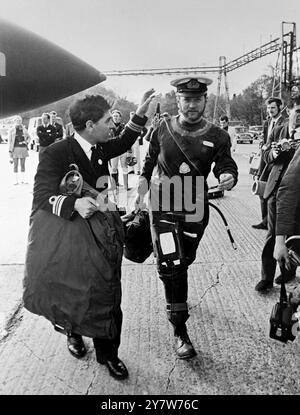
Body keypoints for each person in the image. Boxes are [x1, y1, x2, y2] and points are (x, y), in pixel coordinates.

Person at [30, 89, 155, 380]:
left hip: (103, 235)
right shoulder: (57, 153)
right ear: (89, 126)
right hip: (71, 235)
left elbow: (125, 141)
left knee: (107, 292)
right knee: (73, 289)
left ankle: (109, 353)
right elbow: (41, 196)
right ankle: (73, 333)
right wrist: (73, 203)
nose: (113, 126)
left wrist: (141, 113)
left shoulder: (99, 147)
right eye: (107, 121)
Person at [135, 77, 238, 359]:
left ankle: (173, 282)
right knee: (173, 264)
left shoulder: (218, 135)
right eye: (186, 99)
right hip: (163, 204)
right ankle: (180, 331)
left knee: (186, 259)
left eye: (197, 99)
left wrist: (228, 176)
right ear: (177, 100)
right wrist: (141, 191)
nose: (191, 105)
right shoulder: (162, 127)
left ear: (205, 100)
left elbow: (226, 163)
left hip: (195, 206)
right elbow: (148, 162)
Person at [255, 94, 300, 292]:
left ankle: (289, 271)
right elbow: (265, 153)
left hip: (297, 193)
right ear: (289, 110)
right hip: (276, 189)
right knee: (273, 235)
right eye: (298, 112)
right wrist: (274, 153)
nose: (299, 117)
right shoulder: (279, 130)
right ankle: (266, 277)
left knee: (295, 233)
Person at [252, 97, 285, 230]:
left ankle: (269, 222)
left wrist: (268, 148)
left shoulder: (284, 123)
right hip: (265, 161)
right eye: (268, 108)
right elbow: (265, 143)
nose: (270, 110)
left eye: (273, 108)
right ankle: (265, 221)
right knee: (260, 188)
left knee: (271, 192)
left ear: (279, 108)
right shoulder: (267, 122)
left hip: (277, 162)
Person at [109, 110, 132, 190]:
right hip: (113, 151)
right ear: (112, 117)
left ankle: (126, 186)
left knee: (124, 167)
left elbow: (128, 139)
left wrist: (129, 151)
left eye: (117, 116)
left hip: (123, 150)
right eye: (114, 116)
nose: (115, 117)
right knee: (113, 169)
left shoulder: (124, 126)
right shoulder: (108, 127)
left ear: (120, 117)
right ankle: (114, 186)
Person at [8, 115, 30, 185]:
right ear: (14, 122)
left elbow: (29, 137)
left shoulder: (24, 129)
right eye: (17, 121)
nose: (18, 122)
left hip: (23, 149)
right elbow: (9, 142)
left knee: (23, 165)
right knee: (15, 165)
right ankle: (16, 180)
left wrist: (26, 142)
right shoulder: (11, 130)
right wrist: (10, 152)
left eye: (19, 120)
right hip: (15, 149)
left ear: (21, 121)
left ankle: (23, 180)